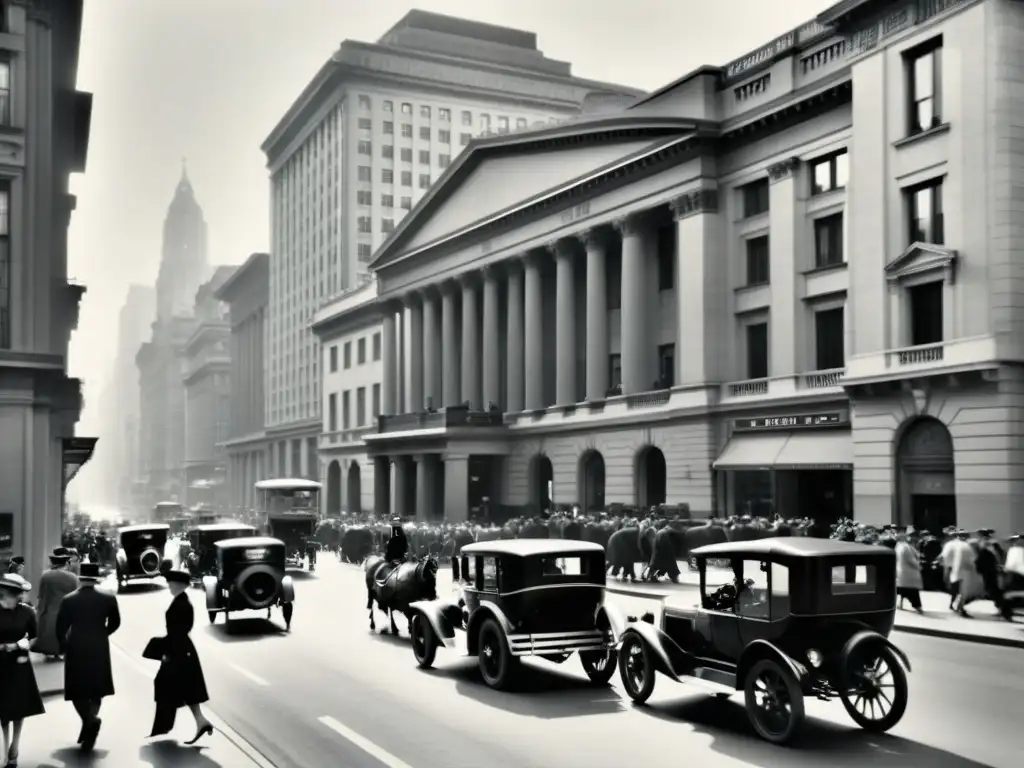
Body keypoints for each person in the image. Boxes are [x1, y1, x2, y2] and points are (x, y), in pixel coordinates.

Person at [54, 562, 121, 752]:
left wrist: (63, 646)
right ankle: (90, 722)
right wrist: (104, 633)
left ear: (80, 579)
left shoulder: (68, 600)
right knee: (97, 688)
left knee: (77, 689)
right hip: (99, 645)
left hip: (76, 645)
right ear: (96, 578)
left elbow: (60, 628)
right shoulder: (108, 598)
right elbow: (116, 622)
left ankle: (90, 721)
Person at [148, 568, 213, 744]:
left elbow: (178, 631)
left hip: (178, 650)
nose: (169, 585)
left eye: (171, 583)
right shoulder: (182, 601)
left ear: (179, 584)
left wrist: (167, 653)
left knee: (167, 685)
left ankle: (169, 725)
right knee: (188, 688)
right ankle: (200, 722)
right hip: (182, 649)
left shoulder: (181, 604)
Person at [0, 573, 45, 768]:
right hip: (0, 664)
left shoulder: (27, 612)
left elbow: (35, 637)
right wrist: (4, 647)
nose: (20, 597)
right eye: (17, 593)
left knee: (19, 708)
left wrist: (23, 644)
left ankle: (14, 747)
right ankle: (4, 749)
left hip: (20, 664)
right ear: (6, 593)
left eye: (20, 593)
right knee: (3, 709)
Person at [33, 548, 79, 659]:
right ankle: (62, 651)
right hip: (66, 612)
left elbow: (42, 596)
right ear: (66, 563)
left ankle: (52, 651)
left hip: (50, 611)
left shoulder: (45, 576)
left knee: (49, 631)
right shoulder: (73, 577)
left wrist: (39, 612)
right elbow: (76, 596)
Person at [894, 533, 924, 612]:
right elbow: (910, 559)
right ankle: (918, 607)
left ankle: (899, 603)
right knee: (912, 592)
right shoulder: (905, 547)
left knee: (901, 589)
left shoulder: (898, 546)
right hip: (908, 573)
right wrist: (918, 567)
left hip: (902, 572)